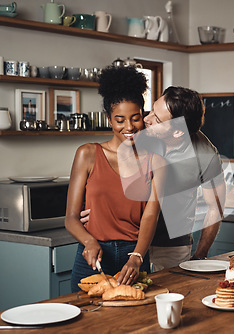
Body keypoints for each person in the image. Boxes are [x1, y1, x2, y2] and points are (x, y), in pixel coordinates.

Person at [80, 86, 226, 270]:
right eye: (151, 110)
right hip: (128, 241)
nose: (146, 118)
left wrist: (200, 255)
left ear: (177, 132)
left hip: (171, 246)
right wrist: (89, 209)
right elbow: (104, 173)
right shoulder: (137, 134)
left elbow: (216, 206)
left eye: (156, 118)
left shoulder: (205, 154)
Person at [65, 66, 166, 292]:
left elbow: (151, 214)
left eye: (135, 118)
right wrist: (89, 241)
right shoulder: (87, 154)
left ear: (143, 116)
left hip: (134, 257)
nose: (129, 127)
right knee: (85, 323)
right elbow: (71, 217)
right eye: (120, 119)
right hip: (92, 256)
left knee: (133, 323)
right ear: (109, 119)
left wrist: (138, 256)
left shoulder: (156, 161)